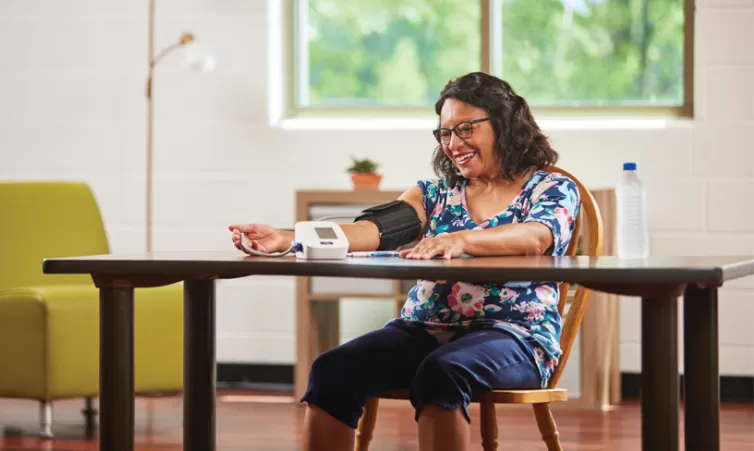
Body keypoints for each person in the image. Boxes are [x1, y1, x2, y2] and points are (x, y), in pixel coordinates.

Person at [229, 71, 580, 451]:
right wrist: (290, 237)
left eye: (465, 129)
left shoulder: (551, 188)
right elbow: (373, 230)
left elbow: (535, 235)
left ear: (503, 124)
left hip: (516, 336)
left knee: (444, 371)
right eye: (445, 133)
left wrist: (459, 240)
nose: (453, 143)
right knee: (332, 370)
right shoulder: (434, 194)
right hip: (424, 330)